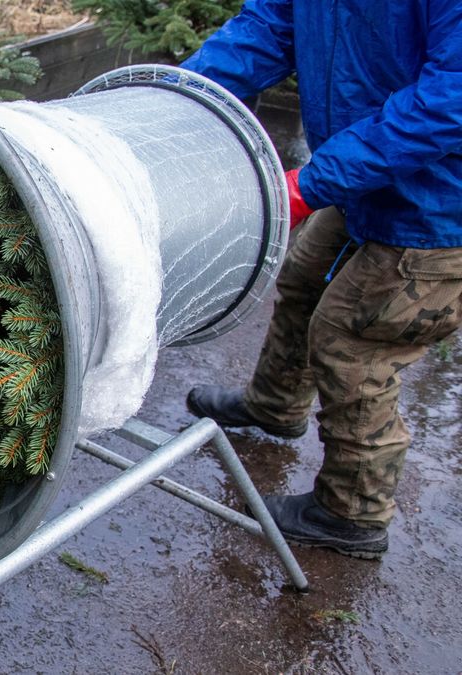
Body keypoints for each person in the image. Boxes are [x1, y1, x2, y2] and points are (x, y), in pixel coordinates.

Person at [180, 0, 462, 559]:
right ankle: (275, 404)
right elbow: (267, 29)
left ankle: (352, 513)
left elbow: (448, 99)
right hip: (368, 180)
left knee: (353, 342)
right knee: (305, 279)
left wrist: (314, 181)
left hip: (439, 206)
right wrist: (175, 95)